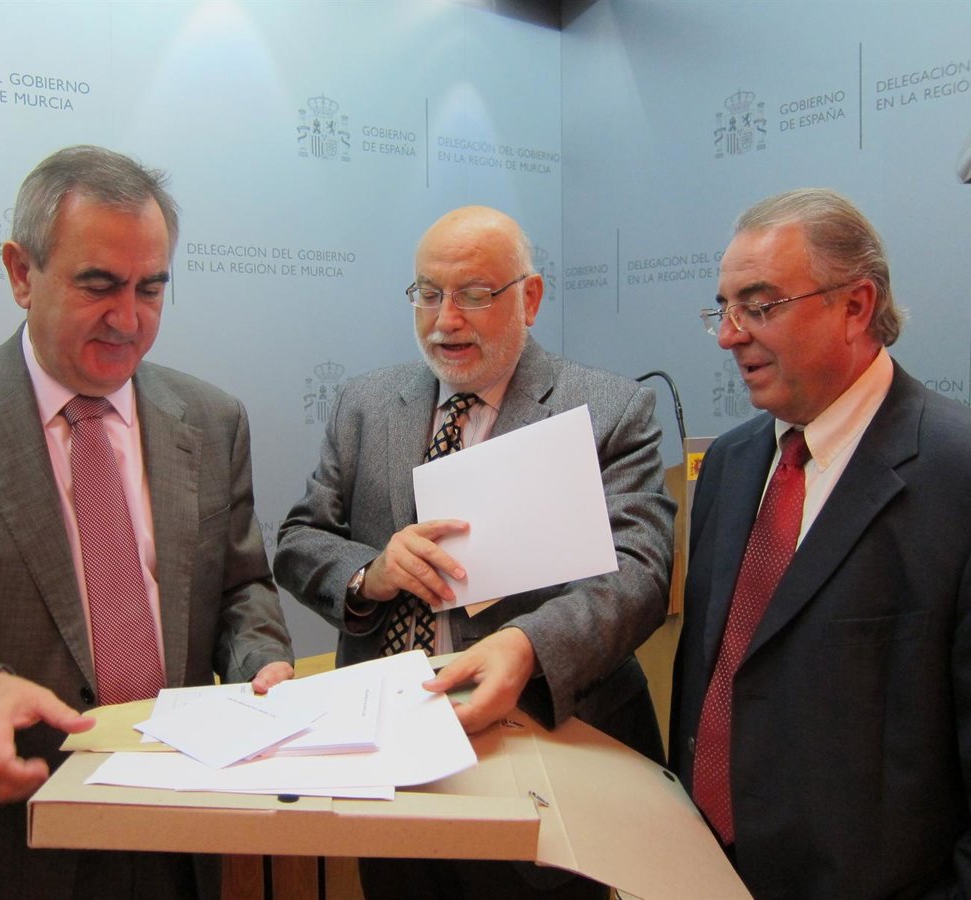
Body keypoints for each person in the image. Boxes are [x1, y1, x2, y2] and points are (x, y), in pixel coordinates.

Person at [0, 145, 295, 898]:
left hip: (181, 835)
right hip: (2, 846)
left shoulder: (210, 419)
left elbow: (240, 587)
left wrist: (259, 661)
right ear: (20, 272)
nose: (128, 320)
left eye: (151, 288)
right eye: (98, 285)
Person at [274, 205, 675, 899]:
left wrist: (526, 647)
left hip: (548, 756)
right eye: (428, 294)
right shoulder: (365, 404)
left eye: (475, 294)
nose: (446, 320)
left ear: (531, 297)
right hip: (395, 762)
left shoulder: (608, 410)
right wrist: (371, 573)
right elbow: (300, 538)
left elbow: (638, 572)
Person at [670, 188, 971, 898]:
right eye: (724, 309)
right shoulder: (729, 465)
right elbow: (712, 682)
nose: (730, 336)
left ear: (856, 306)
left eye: (759, 307)